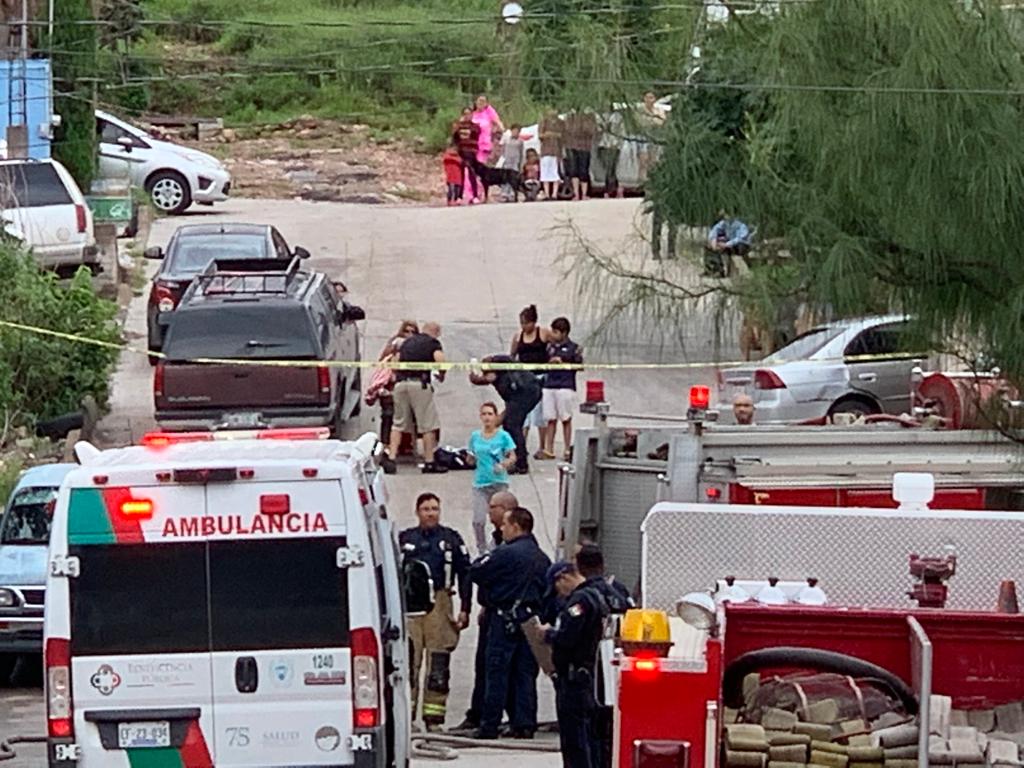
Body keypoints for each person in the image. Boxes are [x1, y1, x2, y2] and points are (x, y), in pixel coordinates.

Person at [470, 506, 552, 740]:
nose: (502, 529)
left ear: (516, 526)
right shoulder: (542, 557)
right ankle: (524, 724)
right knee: (525, 674)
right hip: (530, 622)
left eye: (505, 525)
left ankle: (489, 726)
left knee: (497, 672)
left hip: (503, 620)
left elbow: (476, 571)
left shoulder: (505, 554)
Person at [399, 493, 472, 731]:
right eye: (426, 509)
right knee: (410, 662)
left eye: (435, 509)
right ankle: (406, 718)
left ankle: (434, 720)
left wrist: (465, 608)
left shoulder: (450, 539)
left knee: (439, 663)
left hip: (441, 604)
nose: (431, 513)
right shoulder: (404, 540)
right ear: (417, 512)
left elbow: (466, 574)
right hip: (410, 607)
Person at [458, 490, 520, 731]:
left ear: (507, 510)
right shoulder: (497, 538)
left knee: (498, 668)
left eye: (493, 507)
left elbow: (487, 572)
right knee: (483, 665)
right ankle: (478, 713)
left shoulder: (510, 544)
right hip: (491, 610)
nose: (488, 511)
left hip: (505, 614)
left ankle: (491, 720)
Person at [540, 561, 609, 768]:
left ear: (564, 577)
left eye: (557, 587)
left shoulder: (579, 602)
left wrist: (548, 634)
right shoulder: (597, 596)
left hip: (574, 680)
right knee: (593, 738)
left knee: (574, 740)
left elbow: (568, 638)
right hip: (590, 678)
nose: (559, 594)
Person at [576, 544, 633, 768]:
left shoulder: (584, 597)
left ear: (579, 567)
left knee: (592, 729)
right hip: (617, 669)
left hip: (591, 670)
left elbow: (571, 634)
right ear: (602, 565)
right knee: (612, 726)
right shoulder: (619, 594)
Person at [384, 321, 446, 474]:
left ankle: (391, 458)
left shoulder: (406, 342)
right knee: (427, 425)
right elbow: (441, 361)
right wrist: (442, 374)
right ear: (436, 332)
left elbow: (395, 362)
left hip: (400, 385)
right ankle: (429, 461)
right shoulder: (433, 343)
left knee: (398, 423)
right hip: (419, 385)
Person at [470, 355, 543, 477]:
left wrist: (473, 375)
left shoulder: (505, 370)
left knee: (512, 425)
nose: (486, 376)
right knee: (510, 425)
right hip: (523, 395)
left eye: (487, 372)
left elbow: (483, 380)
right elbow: (483, 380)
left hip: (526, 394)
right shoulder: (503, 375)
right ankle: (518, 458)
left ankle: (521, 463)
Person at [466, 402, 517, 554]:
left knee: (501, 520)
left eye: (490, 414)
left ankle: (499, 545)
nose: (487, 417)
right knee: (478, 520)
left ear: (495, 417)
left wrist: (504, 464)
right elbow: (471, 456)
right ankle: (482, 550)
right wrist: (470, 459)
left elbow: (512, 456)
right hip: (480, 483)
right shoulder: (475, 436)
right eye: (484, 414)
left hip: (499, 483)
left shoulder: (503, 436)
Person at [366, 320, 418, 446]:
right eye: (406, 331)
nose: (409, 334)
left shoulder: (418, 348)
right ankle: (385, 443)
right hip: (390, 388)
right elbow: (382, 363)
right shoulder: (393, 345)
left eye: (413, 331)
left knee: (410, 417)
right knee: (388, 415)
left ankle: (406, 444)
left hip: (408, 387)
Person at [538, 317, 583, 461]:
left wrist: (563, 362)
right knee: (550, 419)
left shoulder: (573, 348)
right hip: (549, 385)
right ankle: (549, 449)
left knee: (565, 418)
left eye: (556, 332)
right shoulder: (549, 347)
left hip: (565, 385)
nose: (553, 334)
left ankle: (567, 449)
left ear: (564, 333)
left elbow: (580, 366)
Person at [510, 304, 550, 457]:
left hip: (540, 379)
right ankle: (522, 446)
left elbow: (556, 342)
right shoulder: (518, 337)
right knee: (523, 415)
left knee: (540, 415)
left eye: (526, 323)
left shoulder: (543, 333)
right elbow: (512, 355)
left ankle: (542, 446)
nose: (524, 326)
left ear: (534, 322)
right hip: (524, 379)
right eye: (522, 323)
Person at [563, 108, 597, 201]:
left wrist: (582, 125)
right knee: (574, 170)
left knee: (584, 170)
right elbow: (568, 130)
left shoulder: (590, 116)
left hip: (585, 146)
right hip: (571, 145)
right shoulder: (570, 116)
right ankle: (576, 193)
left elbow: (590, 130)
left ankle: (584, 194)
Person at [706, 211, 752, 276]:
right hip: (730, 244)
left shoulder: (741, 224)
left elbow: (740, 238)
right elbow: (715, 229)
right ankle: (717, 270)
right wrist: (713, 239)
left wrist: (726, 244)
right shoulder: (725, 223)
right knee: (711, 248)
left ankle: (746, 267)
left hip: (742, 244)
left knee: (739, 247)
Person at [453, 107, 482, 203]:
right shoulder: (458, 126)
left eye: (469, 114)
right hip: (461, 152)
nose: (467, 116)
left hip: (471, 152)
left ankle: (475, 195)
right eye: (465, 114)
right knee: (460, 174)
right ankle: (459, 196)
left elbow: (476, 134)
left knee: (472, 173)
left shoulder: (475, 126)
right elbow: (455, 138)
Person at [596, 109, 625, 198]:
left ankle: (609, 189)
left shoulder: (618, 117)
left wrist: (619, 144)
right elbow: (597, 130)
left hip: (614, 145)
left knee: (611, 167)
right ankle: (614, 188)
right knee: (607, 167)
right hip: (602, 144)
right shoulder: (598, 116)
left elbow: (622, 131)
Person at [472, 94, 505, 167]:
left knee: (480, 166)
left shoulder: (488, 113)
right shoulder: (472, 114)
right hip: (472, 144)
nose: (481, 103)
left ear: (486, 104)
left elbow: (499, 124)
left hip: (483, 145)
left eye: (483, 101)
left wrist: (500, 131)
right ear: (476, 102)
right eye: (479, 100)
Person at [538, 109, 565, 201]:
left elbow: (563, 136)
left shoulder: (561, 123)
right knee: (545, 173)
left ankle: (554, 194)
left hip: (556, 151)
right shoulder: (544, 122)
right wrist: (548, 135)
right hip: (545, 151)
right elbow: (540, 135)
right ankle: (546, 193)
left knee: (555, 173)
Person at [498, 124, 525, 202]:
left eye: (517, 131)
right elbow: (502, 150)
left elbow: (521, 153)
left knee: (513, 178)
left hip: (515, 162)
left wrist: (521, 164)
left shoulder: (520, 141)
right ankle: (505, 193)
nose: (515, 132)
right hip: (507, 161)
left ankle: (512, 193)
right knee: (505, 178)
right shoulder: (506, 140)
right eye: (514, 131)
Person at [442, 141, 464, 206]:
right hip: (450, 176)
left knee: (457, 189)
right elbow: (446, 159)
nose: (453, 151)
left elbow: (460, 162)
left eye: (454, 149)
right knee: (451, 189)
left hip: (457, 176)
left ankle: (455, 200)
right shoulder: (447, 156)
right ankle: (449, 200)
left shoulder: (458, 157)